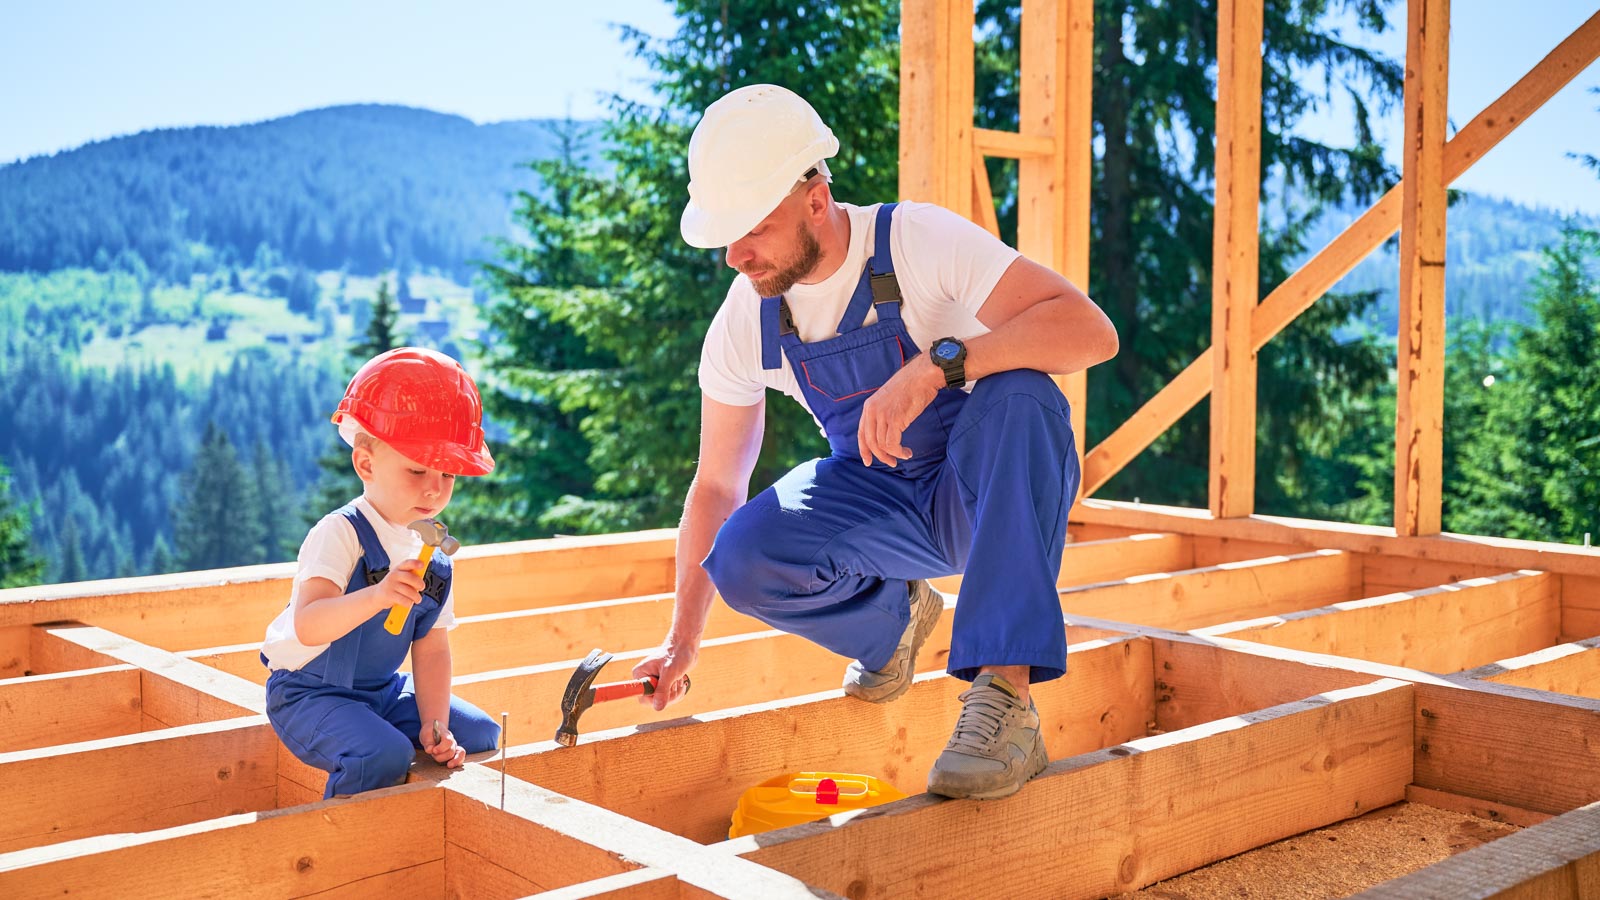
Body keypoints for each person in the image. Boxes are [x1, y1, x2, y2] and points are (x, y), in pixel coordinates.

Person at [631, 84, 1119, 801]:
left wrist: (938, 366)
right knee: (741, 554)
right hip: (879, 503)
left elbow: (1089, 331)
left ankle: (1006, 698)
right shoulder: (747, 319)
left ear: (816, 201)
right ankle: (893, 625)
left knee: (1025, 395)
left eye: (752, 230)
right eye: (725, 237)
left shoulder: (917, 241)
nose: (736, 255)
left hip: (983, 494)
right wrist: (681, 641)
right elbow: (714, 488)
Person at [261, 346, 502, 799]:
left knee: (480, 733)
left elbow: (431, 648)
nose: (435, 490)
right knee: (382, 754)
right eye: (417, 470)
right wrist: (377, 596)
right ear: (366, 464)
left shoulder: (435, 557)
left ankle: (396, 757)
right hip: (310, 693)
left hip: (382, 692)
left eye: (448, 475)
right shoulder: (341, 533)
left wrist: (435, 726)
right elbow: (310, 625)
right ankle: (343, 845)